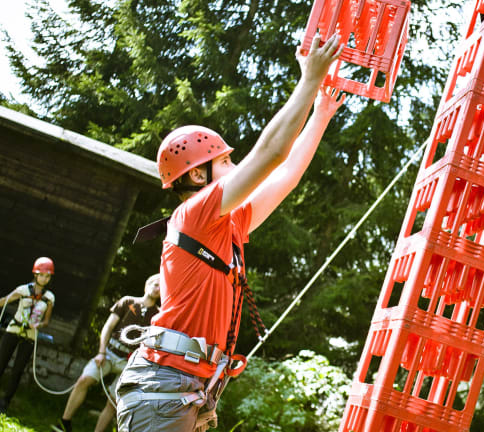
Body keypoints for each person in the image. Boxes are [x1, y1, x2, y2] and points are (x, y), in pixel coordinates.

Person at [115, 31, 346, 432]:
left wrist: (321, 113)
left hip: (185, 389)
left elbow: (286, 175)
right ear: (198, 176)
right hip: (165, 389)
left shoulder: (229, 224)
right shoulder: (194, 214)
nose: (236, 167)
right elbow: (271, 155)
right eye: (225, 162)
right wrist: (309, 80)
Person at [53, 274, 161, 432]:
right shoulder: (127, 301)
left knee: (114, 401)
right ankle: (64, 423)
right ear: (147, 285)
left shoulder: (158, 315)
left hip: (130, 363)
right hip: (109, 354)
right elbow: (108, 327)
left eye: (161, 287)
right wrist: (101, 352)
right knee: (84, 380)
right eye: (155, 284)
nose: (157, 288)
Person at [0, 256, 56, 413]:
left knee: (17, 371)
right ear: (35, 274)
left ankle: (5, 403)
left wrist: (39, 325)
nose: (44, 279)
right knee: (1, 363)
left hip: (30, 335)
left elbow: (46, 321)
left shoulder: (49, 298)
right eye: (42, 275)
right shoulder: (23, 290)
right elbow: (4, 301)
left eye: (47, 276)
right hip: (14, 329)